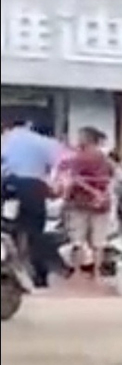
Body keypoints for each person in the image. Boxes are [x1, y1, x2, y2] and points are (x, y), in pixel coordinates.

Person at [2, 119, 63, 288]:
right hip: (34, 187)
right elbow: (58, 167)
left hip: (7, 184)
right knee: (36, 234)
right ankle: (39, 276)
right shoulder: (49, 143)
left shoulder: (8, 137)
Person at [56, 126, 115, 280]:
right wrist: (100, 194)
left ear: (86, 139)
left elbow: (73, 178)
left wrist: (68, 195)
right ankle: (97, 273)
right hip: (101, 204)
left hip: (79, 203)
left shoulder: (78, 158)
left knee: (77, 240)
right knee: (98, 241)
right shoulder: (106, 159)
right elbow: (112, 178)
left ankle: (77, 272)